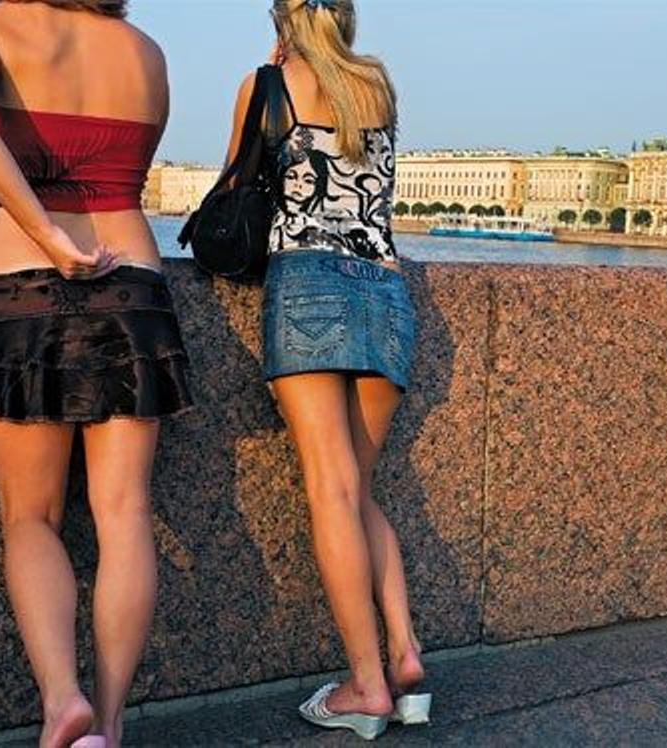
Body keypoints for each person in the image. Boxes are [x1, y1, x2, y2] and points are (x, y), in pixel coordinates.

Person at [0, 2, 191, 745]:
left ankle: (62, 702)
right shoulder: (145, 52)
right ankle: (109, 728)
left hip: (28, 287)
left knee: (30, 517)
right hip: (135, 289)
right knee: (125, 515)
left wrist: (47, 232)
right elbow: (121, 174)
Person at [221, 0, 427, 739]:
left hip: (308, 283)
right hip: (387, 293)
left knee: (331, 492)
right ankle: (404, 658)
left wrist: (271, 83)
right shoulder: (378, 85)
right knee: (359, 489)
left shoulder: (265, 86)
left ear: (280, 20)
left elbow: (236, 189)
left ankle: (366, 685)